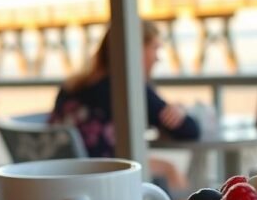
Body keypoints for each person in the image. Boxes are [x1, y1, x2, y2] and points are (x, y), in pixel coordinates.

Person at [50, 21, 200, 190]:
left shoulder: (71, 85)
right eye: (155, 48)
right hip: (102, 175)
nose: (158, 57)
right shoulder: (128, 89)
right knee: (170, 170)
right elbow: (189, 131)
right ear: (136, 50)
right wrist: (180, 110)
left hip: (57, 176)